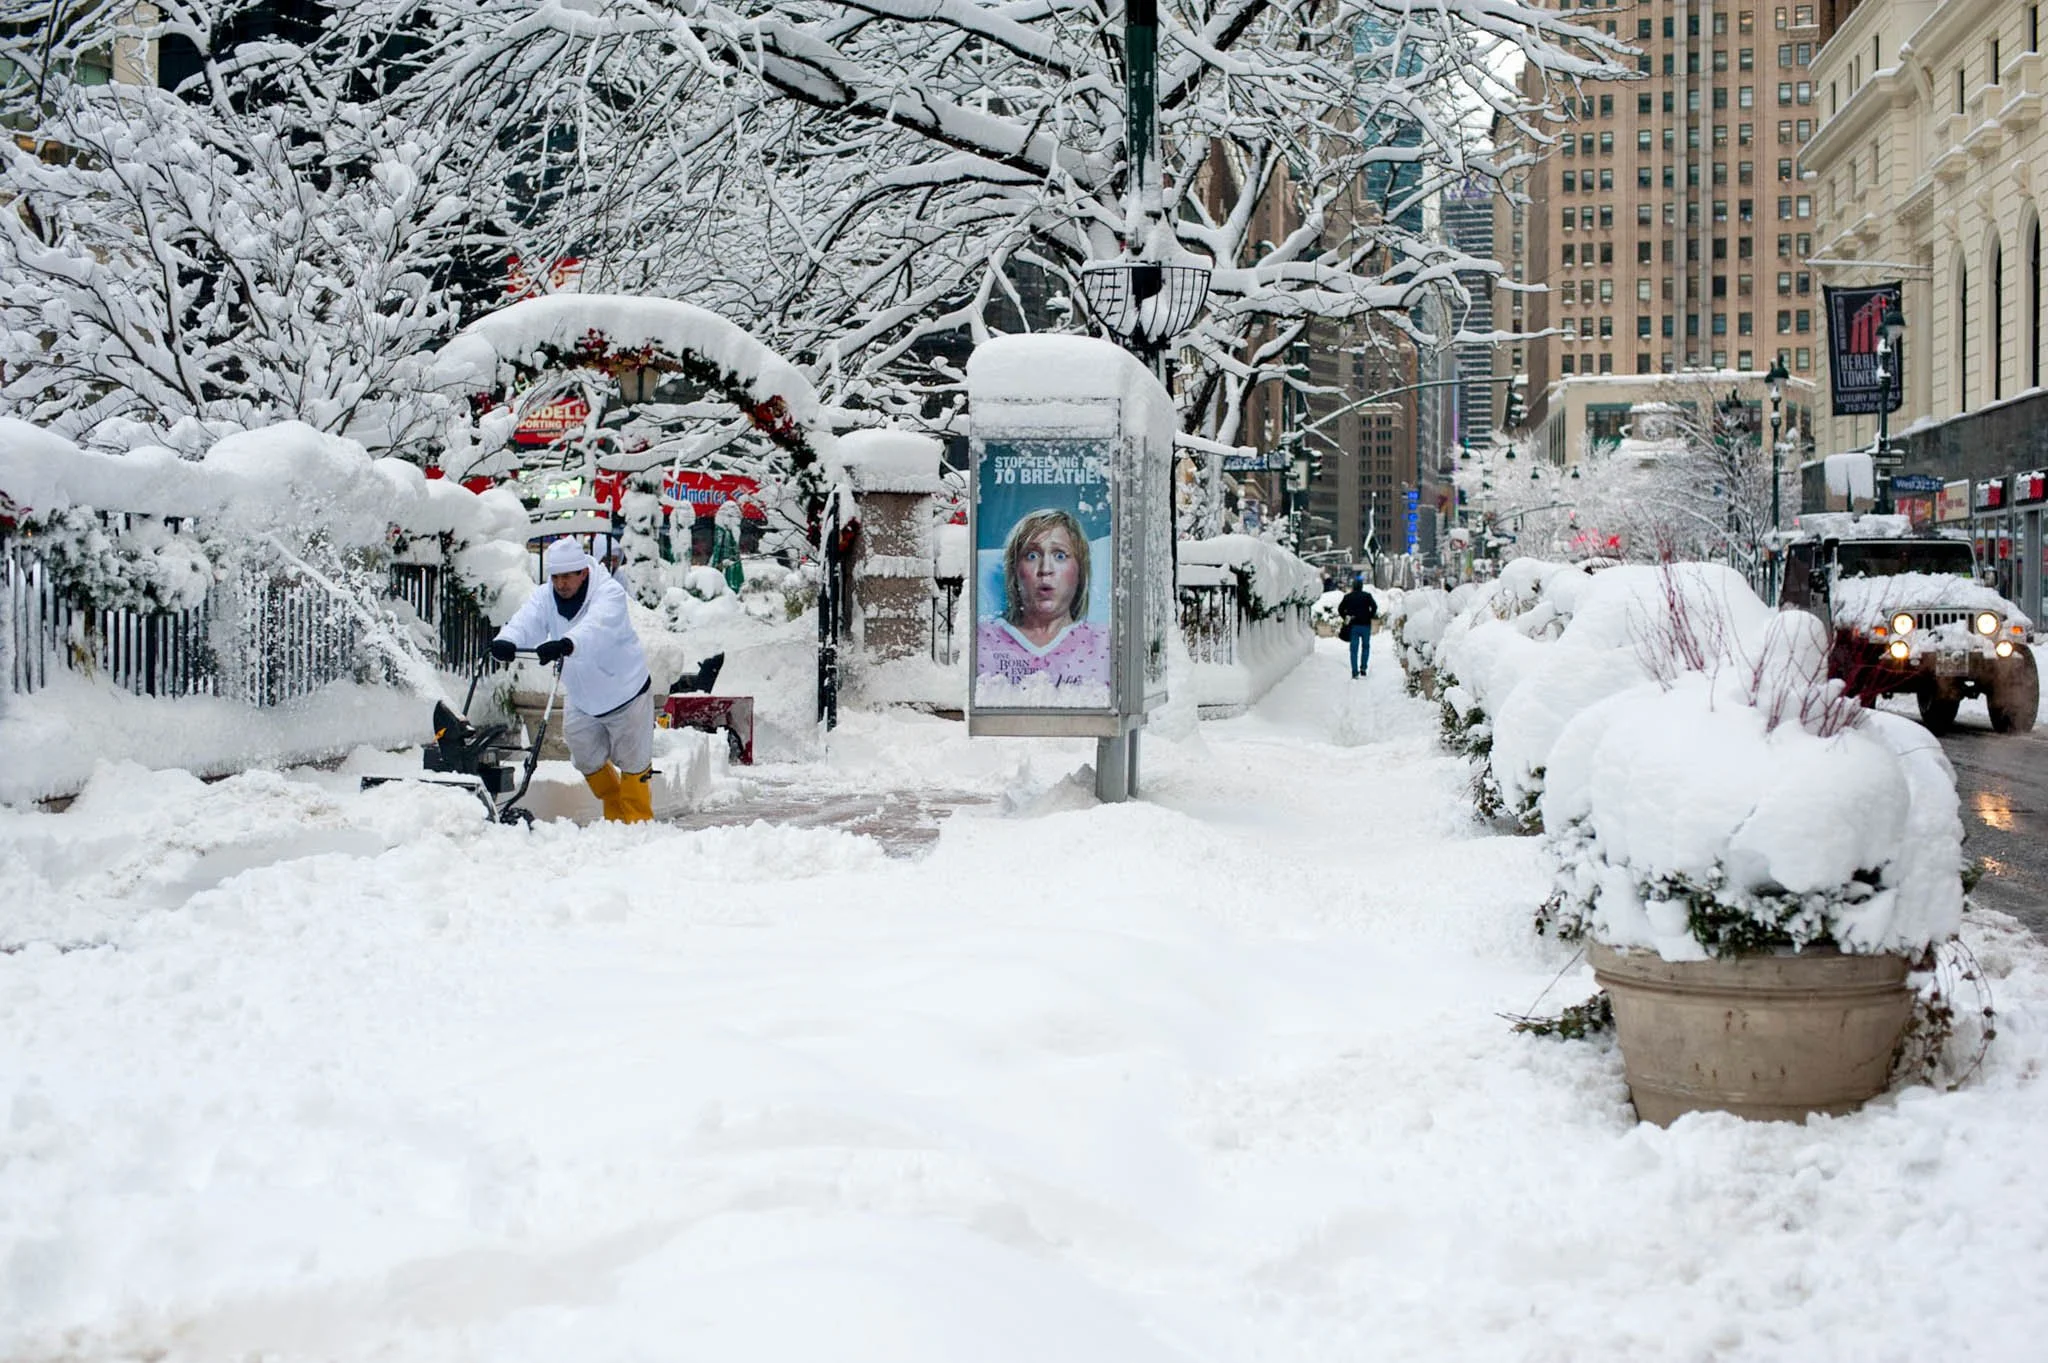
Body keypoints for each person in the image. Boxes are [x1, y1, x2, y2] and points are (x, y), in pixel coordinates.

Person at [490, 537, 655, 823]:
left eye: (567, 576)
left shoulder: (609, 593)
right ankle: (613, 804)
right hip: (582, 697)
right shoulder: (546, 596)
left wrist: (566, 643)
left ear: (584, 572)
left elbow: (597, 628)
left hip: (626, 693)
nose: (561, 584)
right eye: (556, 577)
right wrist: (507, 640)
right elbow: (527, 619)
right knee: (584, 755)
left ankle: (638, 822)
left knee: (633, 762)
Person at [976, 508, 1107, 690]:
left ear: (1080, 571)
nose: (1045, 569)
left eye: (1060, 555)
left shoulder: (1105, 642)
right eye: (1032, 556)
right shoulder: (980, 639)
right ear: (1015, 571)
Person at [1338, 576, 1379, 679]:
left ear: (1353, 586)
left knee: (1354, 649)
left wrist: (1346, 617)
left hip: (1353, 626)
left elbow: (1340, 609)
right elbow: (1374, 607)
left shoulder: (1348, 597)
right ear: (1361, 587)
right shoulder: (1367, 596)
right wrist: (1369, 615)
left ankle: (1355, 671)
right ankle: (1363, 668)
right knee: (1365, 647)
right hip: (1365, 625)